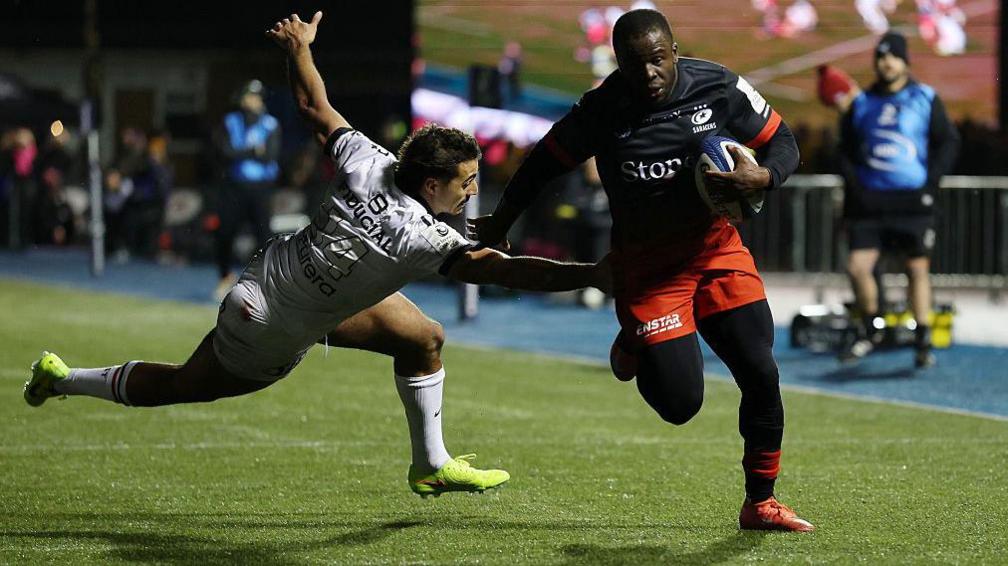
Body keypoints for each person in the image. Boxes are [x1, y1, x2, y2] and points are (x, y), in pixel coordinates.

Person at [25, 11, 609, 499]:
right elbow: (506, 271)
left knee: (422, 337)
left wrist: (299, 48)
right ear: (431, 185)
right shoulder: (421, 238)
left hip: (276, 285)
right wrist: (594, 275)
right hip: (270, 329)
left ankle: (431, 464)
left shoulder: (369, 161)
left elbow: (311, 104)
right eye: (467, 181)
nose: (474, 189)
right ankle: (64, 379)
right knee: (183, 384)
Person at [473, 9, 812, 531]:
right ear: (619, 64)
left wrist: (766, 176)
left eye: (657, 60)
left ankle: (760, 502)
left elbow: (782, 139)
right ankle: (635, 340)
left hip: (716, 251)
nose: (649, 73)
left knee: (761, 373)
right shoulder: (602, 109)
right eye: (635, 64)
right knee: (680, 405)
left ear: (674, 51)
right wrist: (499, 223)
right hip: (649, 269)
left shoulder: (717, 85)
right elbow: (541, 164)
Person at [837, 31, 959, 368]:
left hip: (912, 201)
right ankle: (871, 328)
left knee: (916, 268)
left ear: (905, 61)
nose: (886, 62)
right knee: (857, 267)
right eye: (880, 56)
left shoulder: (924, 97)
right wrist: (856, 187)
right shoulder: (861, 102)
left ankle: (922, 337)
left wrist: (930, 184)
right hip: (870, 203)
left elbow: (948, 142)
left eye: (892, 56)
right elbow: (844, 150)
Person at [213, 78, 282, 301]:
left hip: (261, 188)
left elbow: (269, 155)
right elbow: (224, 152)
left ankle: (265, 283)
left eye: (256, 97)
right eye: (249, 96)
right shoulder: (230, 121)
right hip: (234, 187)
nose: (252, 100)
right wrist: (252, 151)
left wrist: (240, 152)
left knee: (264, 236)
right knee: (225, 232)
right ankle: (225, 276)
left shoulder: (270, 124)